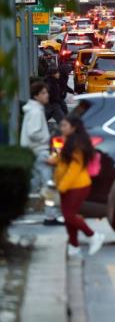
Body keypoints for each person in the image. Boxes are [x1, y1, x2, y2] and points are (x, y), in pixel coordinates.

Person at [50, 115, 105, 257]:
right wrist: (52, 160)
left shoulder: (77, 144)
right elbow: (63, 160)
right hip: (68, 185)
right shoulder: (68, 141)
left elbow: (75, 168)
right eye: (61, 125)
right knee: (69, 217)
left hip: (77, 186)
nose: (61, 128)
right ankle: (74, 246)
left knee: (69, 216)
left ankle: (93, 236)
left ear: (73, 128)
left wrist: (62, 186)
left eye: (64, 126)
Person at [20, 82, 63, 225]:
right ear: (36, 95)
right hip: (40, 152)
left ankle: (16, 209)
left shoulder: (33, 110)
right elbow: (34, 133)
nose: (47, 95)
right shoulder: (36, 112)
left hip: (34, 152)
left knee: (33, 184)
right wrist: (48, 137)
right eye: (43, 93)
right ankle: (50, 216)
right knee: (49, 185)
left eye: (47, 92)